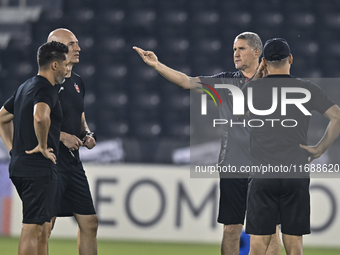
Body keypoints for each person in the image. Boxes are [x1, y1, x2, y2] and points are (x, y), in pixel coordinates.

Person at [134, 32, 281, 255]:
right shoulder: (224, 82)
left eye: (241, 48)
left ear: (257, 52)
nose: (236, 54)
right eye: (234, 49)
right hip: (233, 165)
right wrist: (157, 65)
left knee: (269, 230)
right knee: (232, 229)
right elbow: (187, 82)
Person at [243, 38, 340, 255]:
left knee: (258, 245)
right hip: (295, 174)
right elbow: (337, 117)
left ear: (264, 62)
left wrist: (258, 76)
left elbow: (237, 112)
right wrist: (319, 149)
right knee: (295, 246)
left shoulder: (253, 90)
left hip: (263, 174)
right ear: (291, 59)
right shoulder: (306, 88)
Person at [0, 41, 69, 255]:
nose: (68, 70)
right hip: (37, 168)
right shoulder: (46, 89)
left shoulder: (26, 86)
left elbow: (2, 118)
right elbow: (40, 117)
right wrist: (42, 145)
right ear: (55, 65)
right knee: (32, 228)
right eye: (65, 65)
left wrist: (13, 150)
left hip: (21, 166)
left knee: (42, 227)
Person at [39, 28, 98, 255]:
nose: (78, 48)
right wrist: (62, 136)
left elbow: (80, 116)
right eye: (72, 44)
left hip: (73, 163)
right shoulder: (45, 82)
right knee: (45, 225)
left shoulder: (78, 82)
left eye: (77, 43)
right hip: (50, 161)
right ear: (56, 48)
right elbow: (30, 120)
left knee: (90, 222)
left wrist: (87, 134)